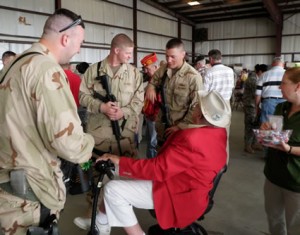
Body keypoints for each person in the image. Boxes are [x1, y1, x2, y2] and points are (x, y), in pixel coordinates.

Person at [0, 8, 94, 234]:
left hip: (9, 186)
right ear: (65, 38)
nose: (79, 49)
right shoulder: (45, 69)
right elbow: (67, 142)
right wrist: (89, 143)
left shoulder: (15, 65)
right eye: (79, 42)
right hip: (30, 194)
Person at [93, 90, 231, 235]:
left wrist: (119, 160)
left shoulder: (194, 139)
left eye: (197, 105)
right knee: (113, 173)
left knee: (113, 190)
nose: (194, 107)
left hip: (178, 193)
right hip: (183, 182)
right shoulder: (218, 133)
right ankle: (101, 222)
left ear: (200, 114)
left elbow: (158, 169)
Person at [74, 33, 144, 229]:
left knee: (126, 177)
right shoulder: (93, 71)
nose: (130, 57)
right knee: (97, 179)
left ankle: (123, 217)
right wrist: (101, 107)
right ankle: (95, 221)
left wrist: (124, 112)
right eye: (128, 53)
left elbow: (139, 102)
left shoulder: (134, 73)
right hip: (99, 136)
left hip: (125, 137)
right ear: (116, 50)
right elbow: (82, 96)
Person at [260, 67, 300, 235]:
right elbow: (274, 133)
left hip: (296, 182)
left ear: (298, 86)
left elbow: (287, 145)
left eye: (283, 83)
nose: (279, 87)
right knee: (274, 220)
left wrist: (289, 148)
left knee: (295, 226)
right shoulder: (281, 107)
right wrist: (266, 130)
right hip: (273, 176)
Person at [145, 38, 202, 146]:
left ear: (182, 54)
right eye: (167, 56)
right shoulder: (164, 69)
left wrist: (180, 126)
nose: (169, 60)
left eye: (172, 56)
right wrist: (151, 87)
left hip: (180, 131)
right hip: (162, 128)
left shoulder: (193, 77)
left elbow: (196, 106)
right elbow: (154, 79)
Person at [243, 64, 267, 153]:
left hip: (255, 105)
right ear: (260, 71)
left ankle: (254, 143)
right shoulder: (253, 80)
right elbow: (257, 94)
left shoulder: (257, 79)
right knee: (250, 125)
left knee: (256, 125)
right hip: (251, 105)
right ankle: (248, 145)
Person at [140, 52, 160, 158]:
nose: (146, 71)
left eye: (148, 68)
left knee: (153, 142)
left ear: (156, 67)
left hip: (155, 117)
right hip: (148, 115)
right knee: (149, 140)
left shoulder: (160, 81)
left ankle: (153, 165)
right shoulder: (152, 79)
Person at [256, 57, 286, 123]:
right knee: (283, 125)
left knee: (266, 125)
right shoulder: (287, 74)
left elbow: (258, 93)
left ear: (272, 64)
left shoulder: (264, 75)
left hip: (268, 102)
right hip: (285, 103)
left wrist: (257, 107)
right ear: (283, 64)